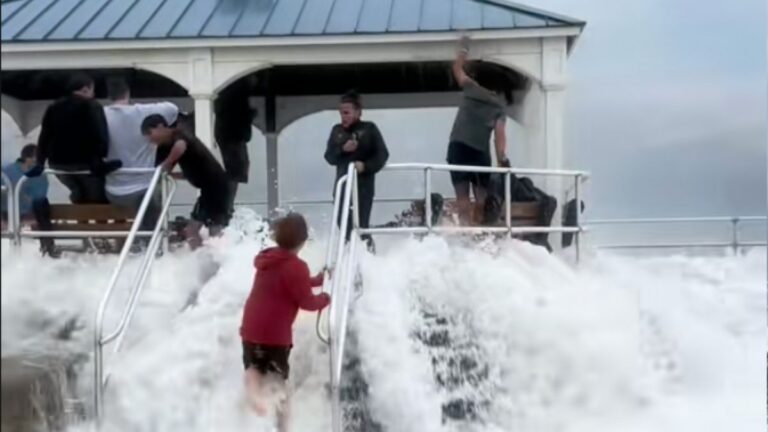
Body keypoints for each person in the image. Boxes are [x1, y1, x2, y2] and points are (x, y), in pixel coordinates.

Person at [239, 213, 331, 431]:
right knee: (280, 386)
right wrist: (326, 298)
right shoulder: (296, 266)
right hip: (275, 336)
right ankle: (282, 427)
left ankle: (252, 388)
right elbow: (307, 301)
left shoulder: (268, 260)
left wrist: (317, 280)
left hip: (250, 330)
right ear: (302, 241)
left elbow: (289, 281)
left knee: (254, 367)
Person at [28, 73, 122, 203]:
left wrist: (40, 163)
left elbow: (44, 137)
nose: (93, 94)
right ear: (85, 89)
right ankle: (99, 220)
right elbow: (100, 135)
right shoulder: (92, 106)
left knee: (78, 193)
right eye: (92, 90)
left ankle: (80, 213)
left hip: (58, 164)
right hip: (85, 164)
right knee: (98, 198)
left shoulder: (53, 107)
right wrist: (100, 160)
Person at [447, 35, 511, 225]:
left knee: (462, 197)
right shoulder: (499, 107)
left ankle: (466, 232)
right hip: (479, 151)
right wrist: (502, 159)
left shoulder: (471, 88)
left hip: (457, 146)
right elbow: (499, 136)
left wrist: (463, 50)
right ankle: (481, 231)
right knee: (481, 197)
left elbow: (456, 69)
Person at [141, 114, 230, 249]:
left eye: (149, 133)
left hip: (217, 186)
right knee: (192, 230)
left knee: (212, 229)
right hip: (207, 188)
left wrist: (166, 164)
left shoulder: (179, 134)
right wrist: (169, 173)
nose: (149, 140)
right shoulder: (163, 147)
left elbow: (180, 147)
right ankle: (203, 259)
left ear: (160, 127)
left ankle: (222, 260)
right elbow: (161, 171)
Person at [103, 78, 179, 234]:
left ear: (109, 96)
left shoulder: (101, 115)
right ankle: (156, 239)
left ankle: (132, 241)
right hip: (145, 190)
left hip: (112, 192)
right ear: (128, 93)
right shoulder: (143, 112)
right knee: (159, 193)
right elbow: (173, 109)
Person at [324, 91, 389, 252]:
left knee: (361, 225)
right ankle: (349, 256)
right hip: (342, 186)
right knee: (343, 223)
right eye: (341, 113)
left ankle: (368, 258)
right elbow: (329, 157)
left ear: (358, 112)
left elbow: (382, 154)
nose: (343, 117)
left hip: (363, 187)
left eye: (346, 113)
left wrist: (365, 166)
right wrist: (342, 149)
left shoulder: (370, 128)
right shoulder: (336, 130)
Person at [2, 144, 57, 256]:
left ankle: (47, 246)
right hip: (8, 210)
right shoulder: (8, 171)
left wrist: (27, 197)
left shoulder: (40, 174)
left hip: (30, 210)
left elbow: (41, 194)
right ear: (28, 158)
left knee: (42, 204)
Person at [214, 79, 256, 214]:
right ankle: (226, 204)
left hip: (232, 134)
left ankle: (227, 204)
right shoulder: (234, 95)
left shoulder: (236, 96)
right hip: (232, 135)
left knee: (238, 169)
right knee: (236, 170)